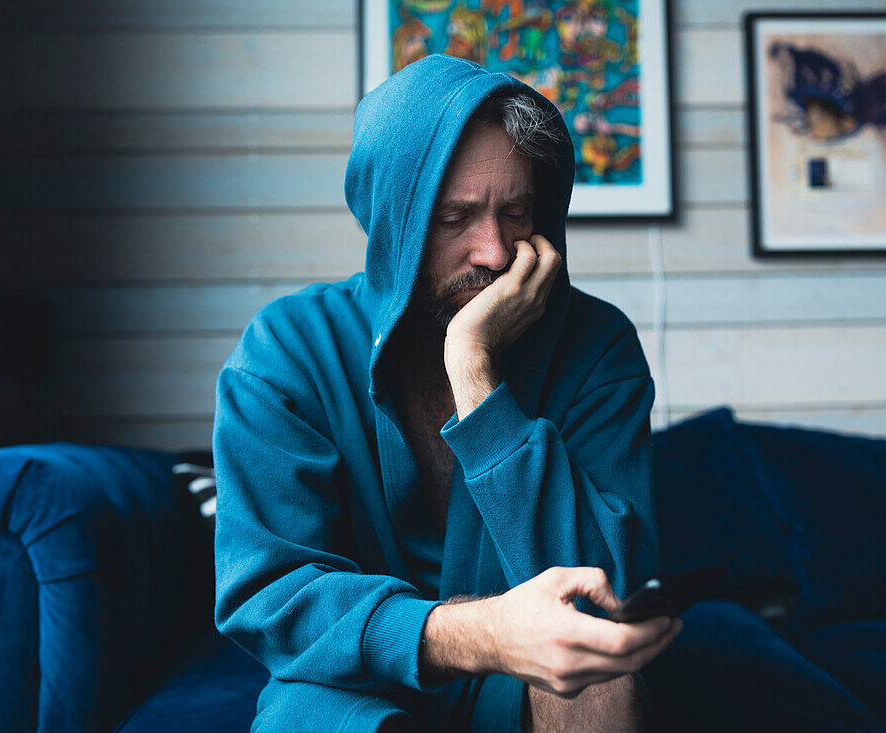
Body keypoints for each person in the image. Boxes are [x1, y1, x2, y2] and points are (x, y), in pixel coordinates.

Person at [212, 54, 679, 732]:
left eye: (515, 211)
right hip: (349, 682)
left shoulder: (597, 347)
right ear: (392, 225)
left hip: (534, 676)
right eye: (454, 218)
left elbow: (606, 597)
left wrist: (476, 369)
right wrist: (477, 632)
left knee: (600, 684)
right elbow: (271, 594)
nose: (492, 251)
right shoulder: (284, 352)